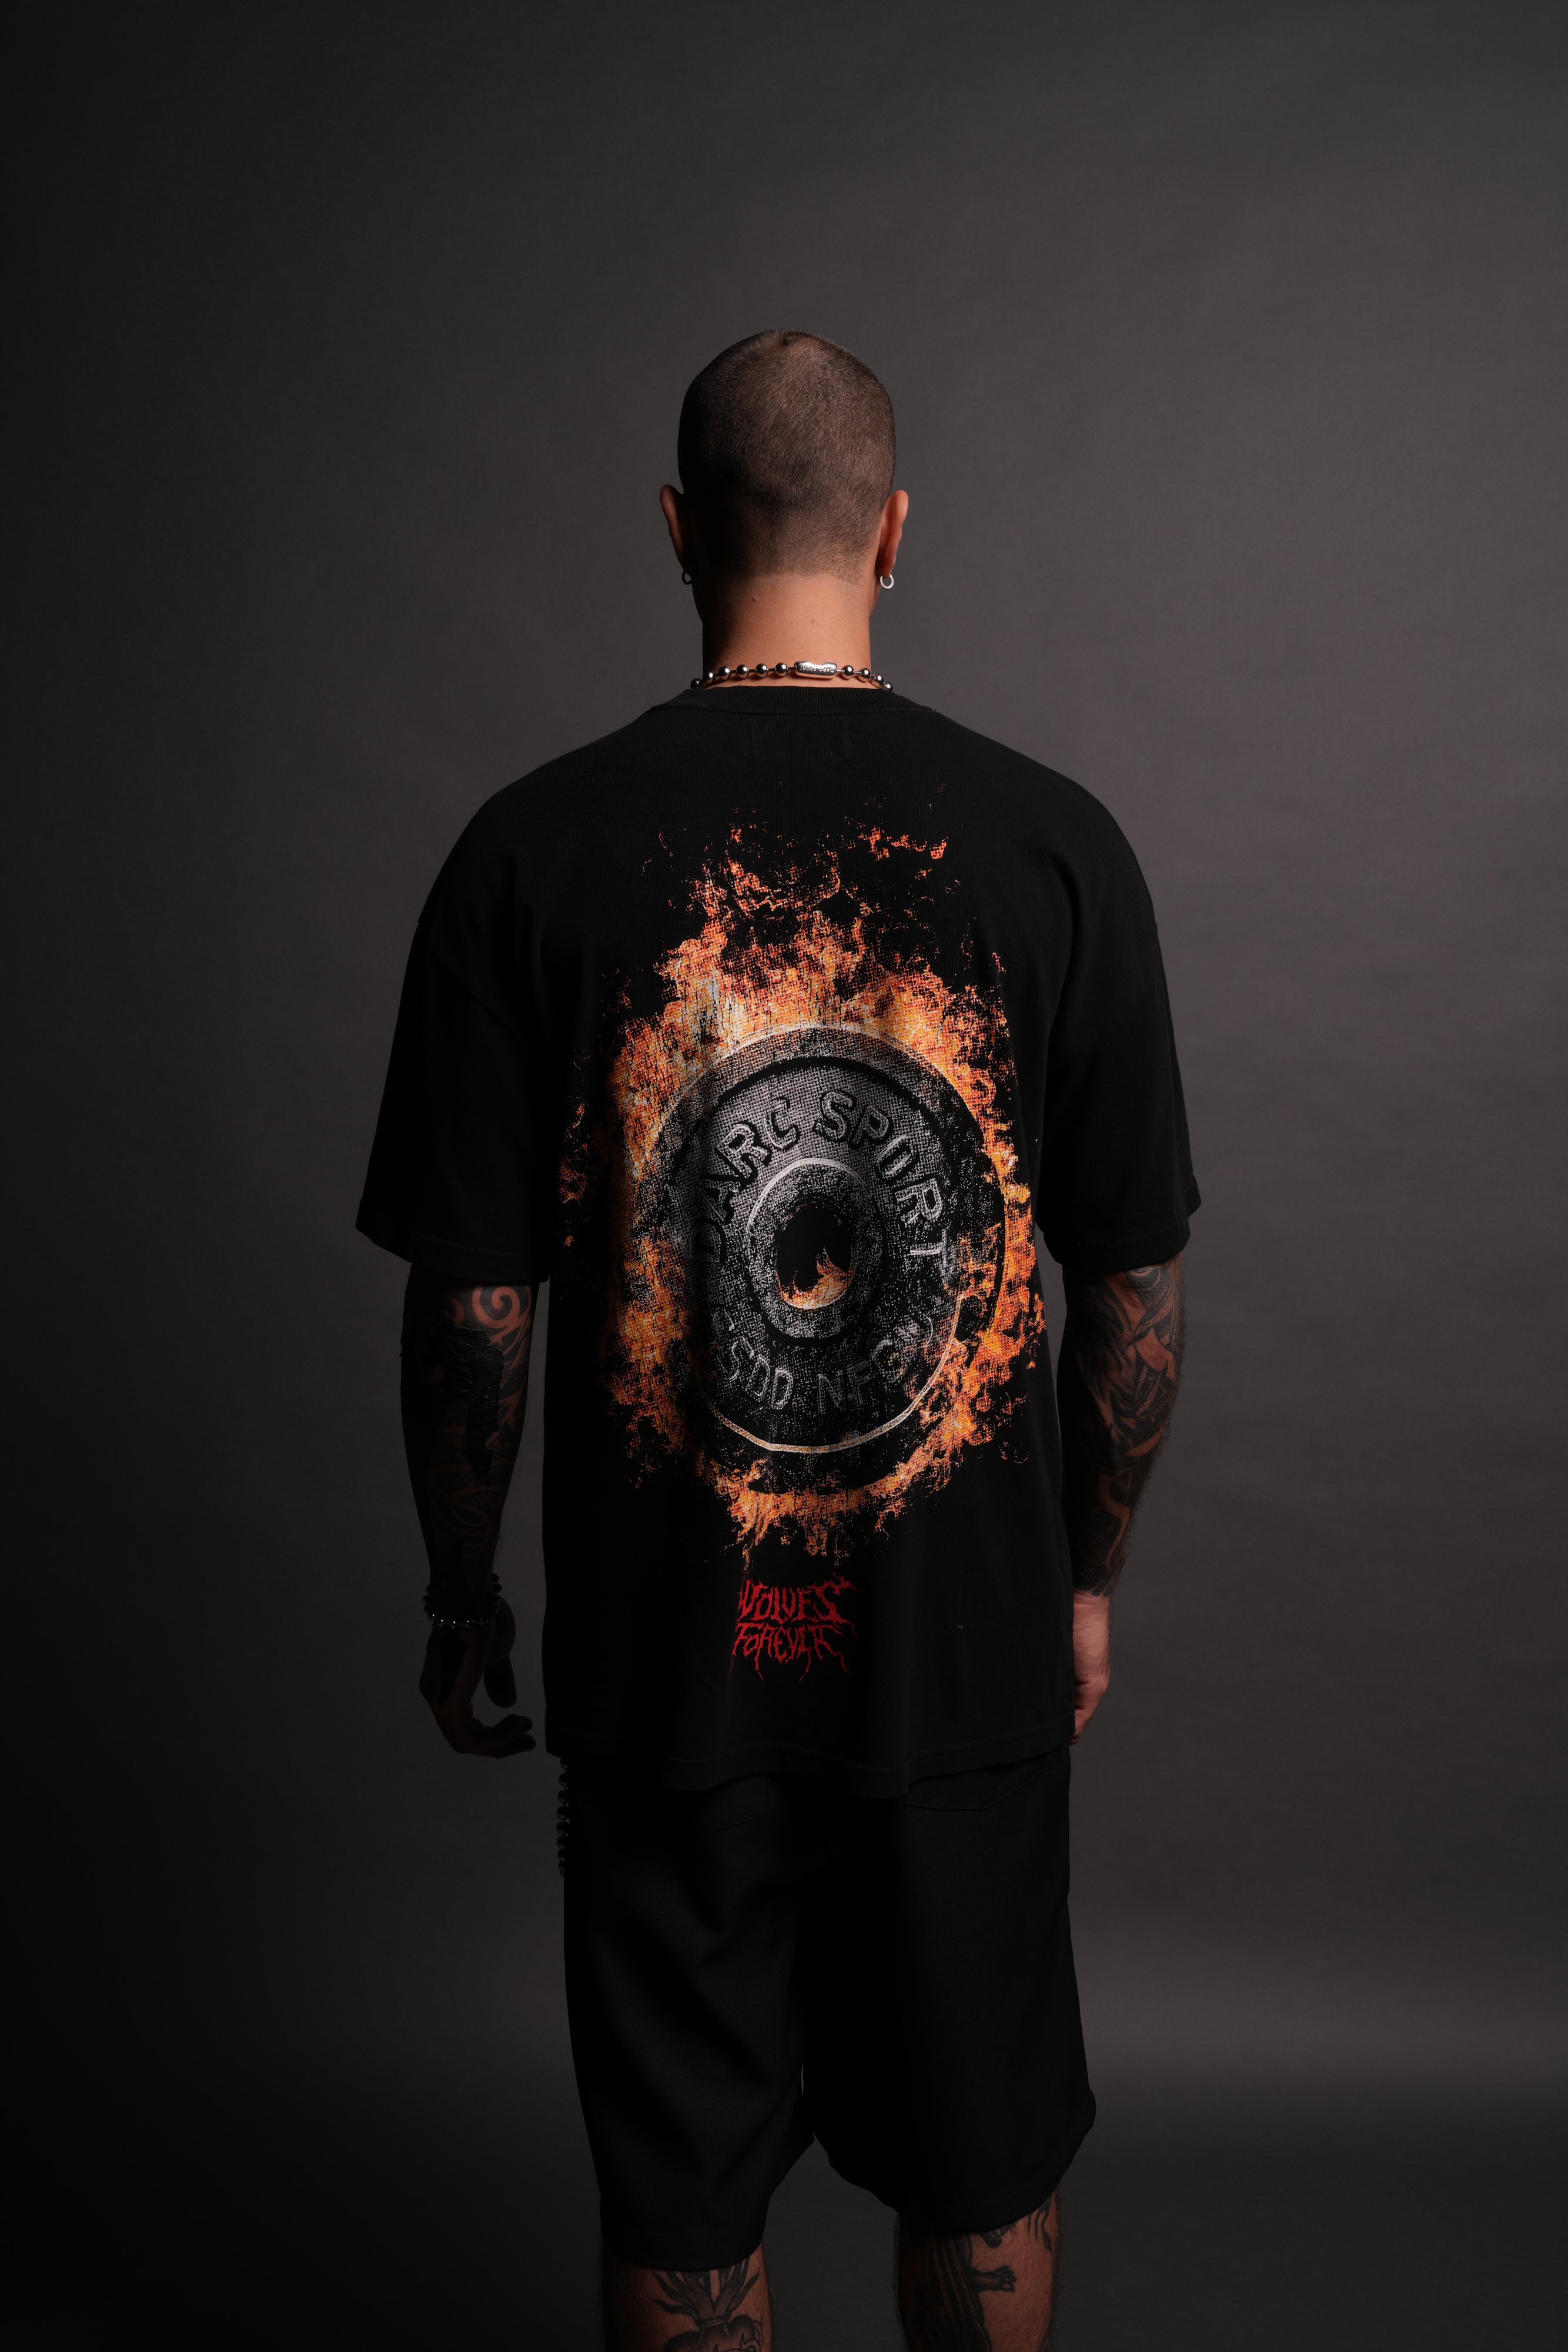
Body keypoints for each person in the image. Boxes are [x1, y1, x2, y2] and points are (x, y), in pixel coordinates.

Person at [358, 329, 1195, 2351]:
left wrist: (465, 1589)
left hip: (666, 1669)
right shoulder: (1055, 846)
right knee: (981, 2182)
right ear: (892, 532)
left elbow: (475, 1304)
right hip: (964, 1662)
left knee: (681, 2203)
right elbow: (1129, 1294)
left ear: (675, 531)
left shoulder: (530, 851)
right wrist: (1082, 1580)